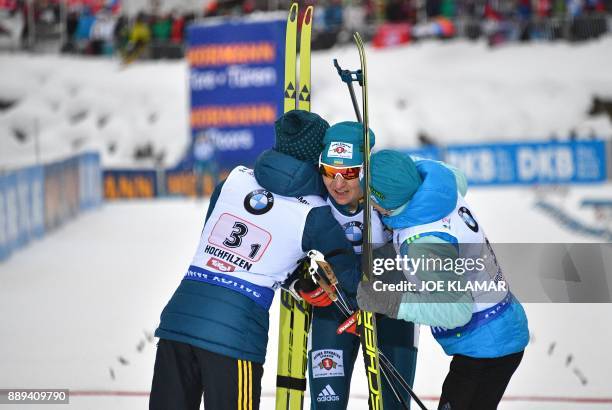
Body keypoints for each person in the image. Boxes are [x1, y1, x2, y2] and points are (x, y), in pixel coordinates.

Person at [149, 110, 358, 410]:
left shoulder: (232, 181)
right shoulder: (313, 212)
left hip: (177, 323)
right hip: (235, 338)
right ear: (316, 158)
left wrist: (293, 280)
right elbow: (347, 269)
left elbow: (224, 247)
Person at [357, 150, 530, 410]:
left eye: (370, 200)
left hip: (486, 348)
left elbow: (455, 311)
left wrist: (388, 301)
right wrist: (398, 167)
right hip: (499, 328)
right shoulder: (442, 185)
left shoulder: (423, 244)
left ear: (384, 201)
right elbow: (455, 176)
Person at [309, 123, 419, 409]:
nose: (338, 184)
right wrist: (299, 280)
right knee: (327, 405)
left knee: (393, 404)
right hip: (336, 309)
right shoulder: (312, 197)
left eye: (349, 173)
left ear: (365, 171)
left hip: (390, 309)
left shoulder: (387, 195)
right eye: (330, 172)